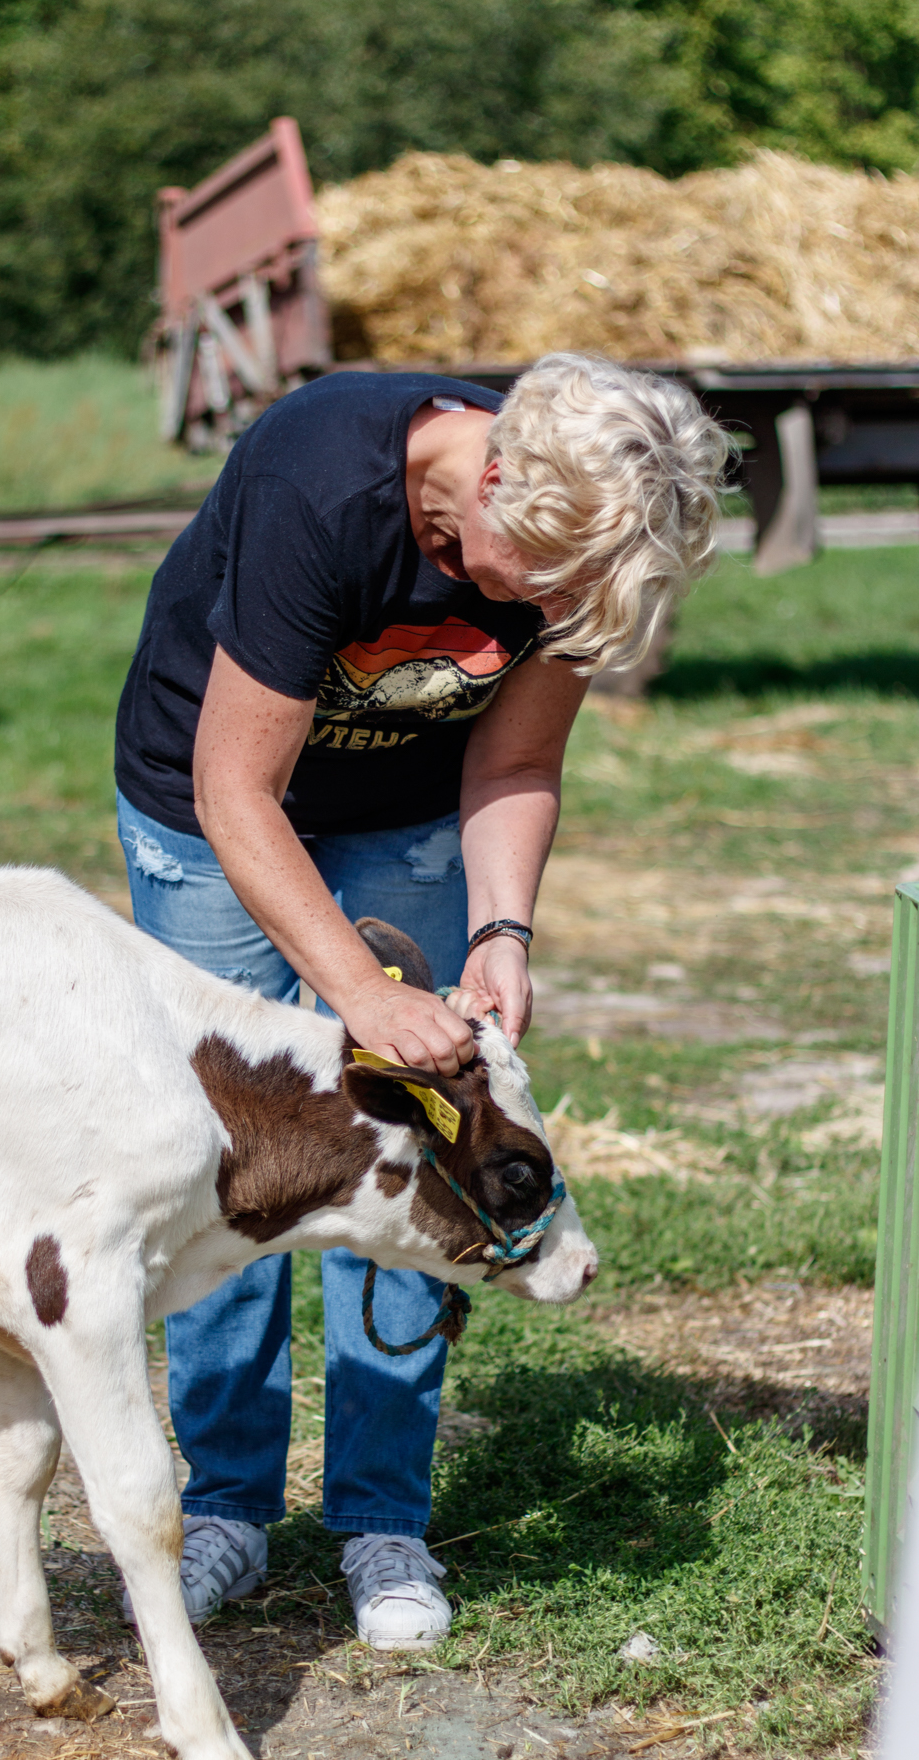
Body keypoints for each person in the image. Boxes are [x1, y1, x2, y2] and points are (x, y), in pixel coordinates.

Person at [113, 351, 728, 1649]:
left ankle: (380, 1514)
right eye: (540, 585)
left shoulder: (576, 528)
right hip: (209, 807)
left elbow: (514, 751)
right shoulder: (321, 480)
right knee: (238, 1144)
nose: (543, 612)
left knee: (421, 1135)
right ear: (490, 481)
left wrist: (501, 930)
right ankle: (224, 1501)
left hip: (401, 817)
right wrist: (348, 989)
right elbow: (239, 794)